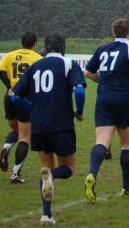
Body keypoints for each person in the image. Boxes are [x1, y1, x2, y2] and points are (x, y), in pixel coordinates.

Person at [11, 34, 86, 226]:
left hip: (39, 125)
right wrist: (79, 111)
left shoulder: (35, 66)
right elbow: (79, 90)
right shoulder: (69, 64)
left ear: (46, 47)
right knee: (68, 169)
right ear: (63, 47)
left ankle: (46, 215)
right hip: (61, 125)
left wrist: (33, 109)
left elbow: (15, 98)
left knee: (45, 168)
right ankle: (52, 178)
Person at [83, 18, 129, 203]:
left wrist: (102, 80)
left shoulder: (103, 48)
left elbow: (88, 72)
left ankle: (91, 174)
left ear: (113, 32)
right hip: (126, 100)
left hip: (104, 99)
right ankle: (126, 187)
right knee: (127, 145)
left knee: (102, 141)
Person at [0, 32, 42, 183]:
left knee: (16, 130)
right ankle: (15, 174)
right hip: (25, 98)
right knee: (24, 137)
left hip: (9, 97)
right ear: (34, 44)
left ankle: (6, 148)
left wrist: (10, 86)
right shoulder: (38, 58)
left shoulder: (10, 55)